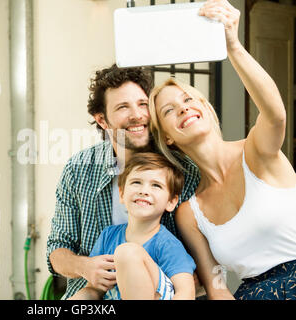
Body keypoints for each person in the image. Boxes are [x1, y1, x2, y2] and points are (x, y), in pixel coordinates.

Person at [148, 0, 296, 300]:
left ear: (205, 106)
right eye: (169, 109)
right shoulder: (190, 213)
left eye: (189, 99)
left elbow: (276, 115)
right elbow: (216, 285)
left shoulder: (256, 149)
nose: (183, 108)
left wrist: (233, 47)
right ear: (167, 136)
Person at [46, 64, 200, 299]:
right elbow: (57, 251)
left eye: (142, 104)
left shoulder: (183, 171)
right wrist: (86, 267)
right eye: (122, 107)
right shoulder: (79, 169)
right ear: (102, 120)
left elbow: (199, 267)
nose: (137, 115)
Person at [68, 152, 196, 300]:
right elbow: (93, 290)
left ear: (171, 202)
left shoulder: (168, 244)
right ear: (121, 194)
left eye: (156, 185)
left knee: (127, 253)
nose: (144, 191)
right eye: (136, 182)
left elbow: (186, 292)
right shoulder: (108, 236)